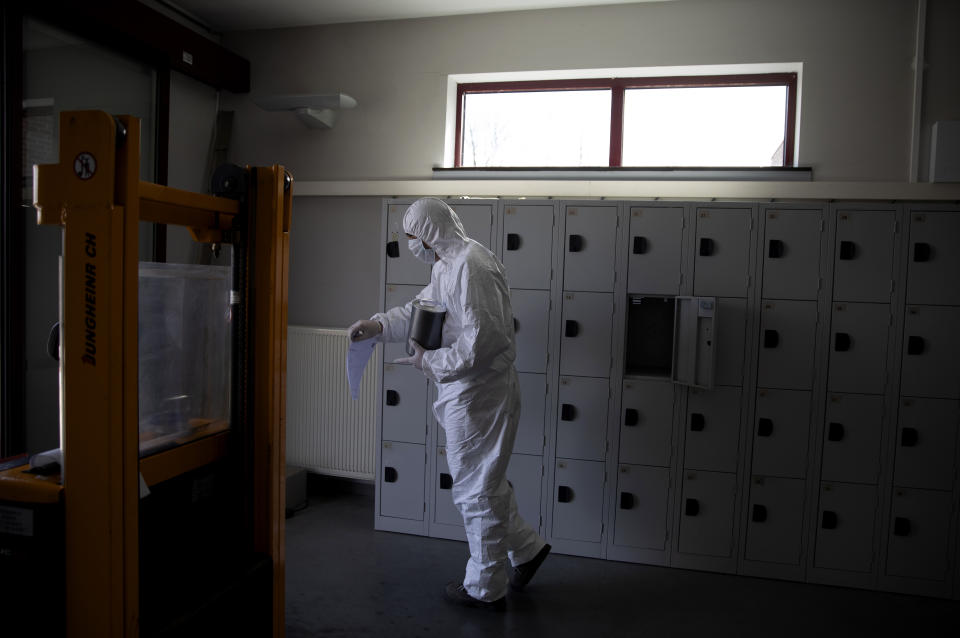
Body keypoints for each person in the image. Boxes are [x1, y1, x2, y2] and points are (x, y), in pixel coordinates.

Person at [349, 197, 550, 611]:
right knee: (485, 483)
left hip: (480, 393)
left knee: (476, 489)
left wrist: (430, 360)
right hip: (467, 391)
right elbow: (422, 310)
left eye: (411, 236)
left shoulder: (470, 265)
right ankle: (527, 551)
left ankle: (485, 587)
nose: (410, 245)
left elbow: (485, 341)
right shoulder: (448, 264)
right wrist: (378, 325)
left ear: (428, 231)